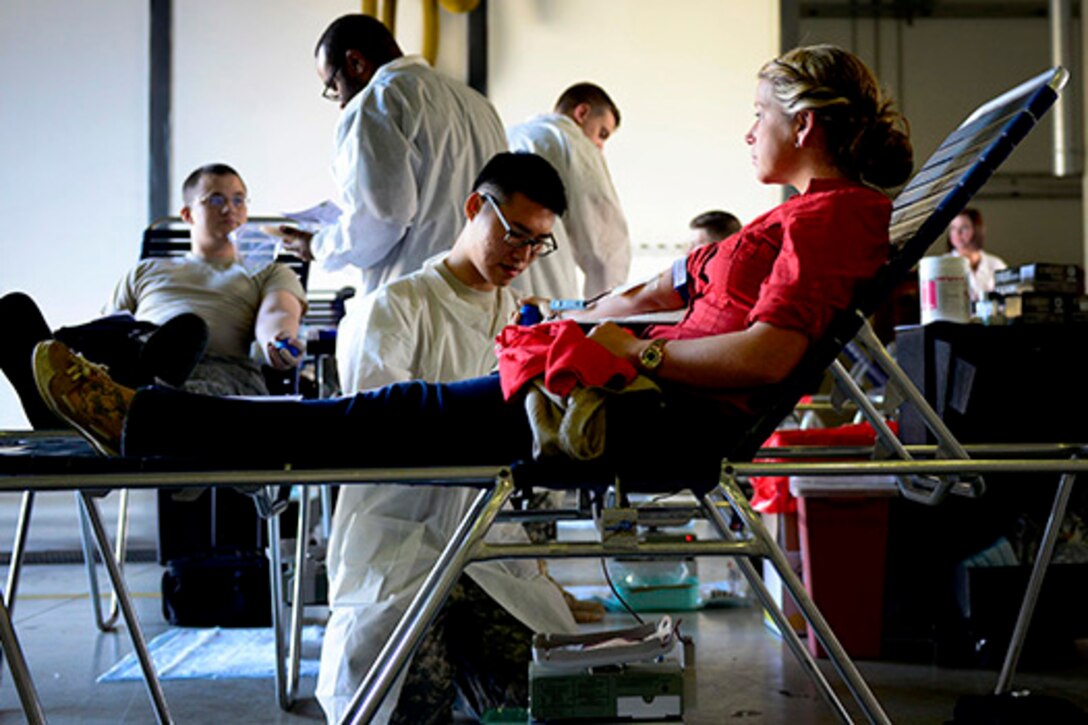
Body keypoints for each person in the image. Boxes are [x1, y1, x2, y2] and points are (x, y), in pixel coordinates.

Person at [33, 44, 913, 722]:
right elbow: (663, 287)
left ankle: (143, 415)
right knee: (369, 418)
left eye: (757, 114)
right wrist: (588, 319)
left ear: (803, 122)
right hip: (625, 395)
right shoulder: (794, 217)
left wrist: (626, 352)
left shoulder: (832, 220)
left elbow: (764, 356)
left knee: (369, 420)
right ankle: (144, 410)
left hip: (646, 413)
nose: (746, 130)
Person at [322, 152, 577, 723]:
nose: (524, 255)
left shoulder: (520, 319)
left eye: (539, 243)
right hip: (402, 544)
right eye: (514, 234)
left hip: (490, 551)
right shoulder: (395, 309)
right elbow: (375, 436)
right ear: (473, 208)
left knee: (553, 693)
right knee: (409, 704)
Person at [0, 163, 305, 428]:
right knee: (15, 311)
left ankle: (83, 407)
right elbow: (109, 327)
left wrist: (278, 342)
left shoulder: (267, 271)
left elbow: (277, 315)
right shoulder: (147, 270)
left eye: (239, 200)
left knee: (189, 330)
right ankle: (56, 391)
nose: (230, 209)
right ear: (187, 214)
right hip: (133, 359)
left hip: (215, 367)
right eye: (215, 199)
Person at [276, 14, 507, 295]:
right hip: (480, 298)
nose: (341, 104)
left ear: (356, 63)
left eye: (334, 87)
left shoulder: (378, 102)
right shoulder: (478, 104)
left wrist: (316, 246)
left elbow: (380, 221)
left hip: (412, 301)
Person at [507, 83, 630, 300]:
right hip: (545, 281)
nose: (600, 146)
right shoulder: (573, 143)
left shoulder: (509, 134)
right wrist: (605, 308)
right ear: (582, 112)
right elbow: (606, 246)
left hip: (495, 280)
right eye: (602, 133)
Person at [946, 207, 1007, 301]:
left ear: (976, 229)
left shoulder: (996, 265)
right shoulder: (942, 265)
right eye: (953, 228)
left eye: (964, 228)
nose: (957, 233)